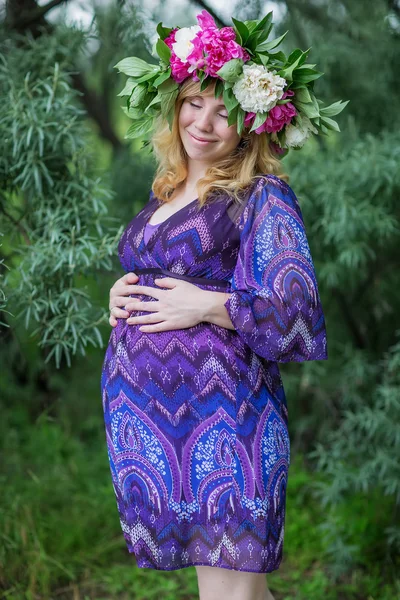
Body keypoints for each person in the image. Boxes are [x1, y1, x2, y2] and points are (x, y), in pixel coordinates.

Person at [101, 9, 345, 600]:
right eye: (193, 102)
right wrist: (122, 290)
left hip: (224, 420)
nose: (204, 123)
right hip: (152, 424)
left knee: (230, 595)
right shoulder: (166, 188)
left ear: (253, 123)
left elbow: (294, 307)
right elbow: (159, 273)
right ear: (174, 104)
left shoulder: (262, 195)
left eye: (225, 110)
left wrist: (209, 305)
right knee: (244, 594)